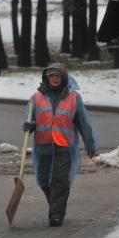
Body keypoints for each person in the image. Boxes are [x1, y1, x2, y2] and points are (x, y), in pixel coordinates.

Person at [23, 63, 98, 227]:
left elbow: (83, 123)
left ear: (63, 78)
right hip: (43, 145)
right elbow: (31, 119)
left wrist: (90, 144)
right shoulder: (37, 97)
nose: (54, 79)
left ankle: (56, 214)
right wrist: (29, 125)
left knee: (60, 180)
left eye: (57, 76)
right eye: (51, 76)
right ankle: (56, 204)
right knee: (43, 181)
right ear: (46, 78)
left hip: (64, 145)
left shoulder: (73, 97)